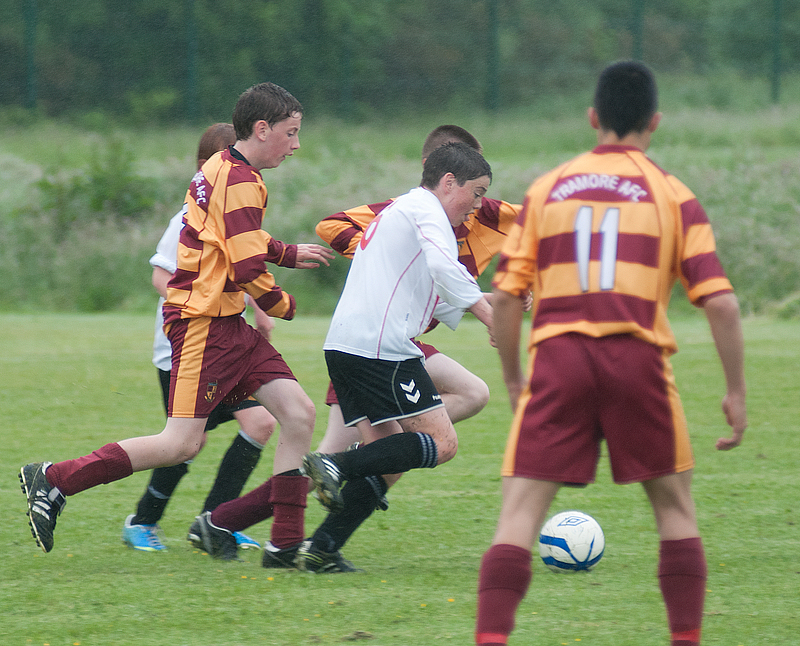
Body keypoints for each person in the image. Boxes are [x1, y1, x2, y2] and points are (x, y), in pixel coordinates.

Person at [474, 60, 747, 646]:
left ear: (593, 118)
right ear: (655, 122)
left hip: (558, 357)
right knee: (674, 509)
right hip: (638, 357)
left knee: (518, 512)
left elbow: (503, 297)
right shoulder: (674, 195)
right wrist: (736, 391)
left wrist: (516, 377)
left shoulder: (546, 190)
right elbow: (720, 304)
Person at [19, 82, 334, 558]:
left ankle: (285, 543)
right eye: (291, 134)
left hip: (229, 325)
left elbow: (234, 232)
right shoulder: (242, 178)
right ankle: (55, 478)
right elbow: (247, 267)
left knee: (297, 413)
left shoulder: (222, 165)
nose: (295, 145)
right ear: (262, 128)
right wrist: (281, 305)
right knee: (180, 445)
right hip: (202, 327)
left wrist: (286, 253)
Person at [295, 125, 524, 572]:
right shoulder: (427, 211)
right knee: (442, 442)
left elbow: (429, 285)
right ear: (448, 182)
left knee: (388, 457)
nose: (477, 206)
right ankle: (333, 464)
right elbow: (444, 264)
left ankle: (322, 549)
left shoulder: (402, 211)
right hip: (382, 349)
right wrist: (485, 312)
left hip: (346, 345)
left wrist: (486, 302)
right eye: (475, 194)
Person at [122, 123, 277, 552]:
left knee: (259, 422)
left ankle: (218, 521)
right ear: (206, 167)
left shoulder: (233, 214)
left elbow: (243, 267)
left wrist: (261, 311)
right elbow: (161, 274)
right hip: (184, 350)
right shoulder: (189, 216)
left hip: (225, 348)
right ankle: (143, 521)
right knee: (187, 444)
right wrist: (197, 308)